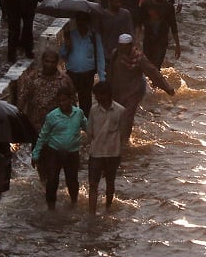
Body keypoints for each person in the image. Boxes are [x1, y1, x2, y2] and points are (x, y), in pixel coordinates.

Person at [107, 33, 175, 143]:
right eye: (121, 46)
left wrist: (167, 87)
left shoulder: (138, 57)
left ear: (130, 45)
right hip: (118, 90)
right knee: (116, 116)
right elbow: (109, 71)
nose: (123, 49)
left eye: (125, 46)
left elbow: (152, 71)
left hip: (134, 91)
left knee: (127, 116)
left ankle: (124, 142)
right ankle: (116, 139)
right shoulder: (115, 54)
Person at [31, 85, 85, 210]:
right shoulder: (52, 116)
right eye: (60, 101)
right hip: (54, 152)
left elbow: (87, 127)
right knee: (52, 180)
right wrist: (35, 154)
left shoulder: (78, 113)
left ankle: (74, 204)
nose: (62, 103)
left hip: (72, 153)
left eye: (65, 100)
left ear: (71, 99)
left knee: (72, 181)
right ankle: (51, 208)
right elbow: (43, 136)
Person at [85, 80, 127, 215]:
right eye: (96, 95)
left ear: (108, 94)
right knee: (93, 184)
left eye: (100, 95)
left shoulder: (120, 111)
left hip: (113, 153)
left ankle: (108, 207)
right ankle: (92, 213)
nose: (97, 98)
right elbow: (89, 131)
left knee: (110, 182)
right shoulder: (93, 110)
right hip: (96, 153)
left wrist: (120, 150)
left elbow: (124, 133)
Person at [59, 15, 106, 116]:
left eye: (83, 22)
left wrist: (102, 78)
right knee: (69, 99)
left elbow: (100, 56)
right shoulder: (70, 35)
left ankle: (85, 124)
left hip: (87, 74)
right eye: (79, 22)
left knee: (85, 101)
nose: (81, 25)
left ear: (87, 23)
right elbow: (62, 55)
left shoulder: (93, 36)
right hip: (71, 74)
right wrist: (67, 46)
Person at [16, 49, 74, 131]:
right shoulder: (33, 78)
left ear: (56, 63)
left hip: (58, 126)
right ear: (42, 61)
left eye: (52, 62)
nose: (49, 65)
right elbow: (22, 100)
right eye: (47, 61)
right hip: (36, 126)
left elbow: (72, 102)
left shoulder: (64, 80)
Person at [137, 0, 179, 69]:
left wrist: (177, 46)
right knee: (147, 64)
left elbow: (174, 28)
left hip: (161, 41)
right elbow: (139, 24)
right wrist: (137, 40)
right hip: (148, 40)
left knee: (157, 65)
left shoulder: (169, 8)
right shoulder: (145, 5)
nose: (152, 13)